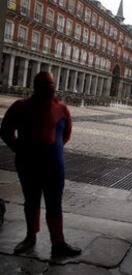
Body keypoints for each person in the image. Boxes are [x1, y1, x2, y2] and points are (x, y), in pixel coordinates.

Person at [0, 72, 81, 257]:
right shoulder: (20, 106)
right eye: (47, 84)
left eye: (52, 83)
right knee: (31, 201)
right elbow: (5, 131)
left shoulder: (62, 108)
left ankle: (58, 242)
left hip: (54, 167)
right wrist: (20, 149)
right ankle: (30, 236)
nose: (51, 87)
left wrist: (53, 150)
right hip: (29, 165)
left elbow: (65, 135)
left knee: (55, 204)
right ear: (36, 86)